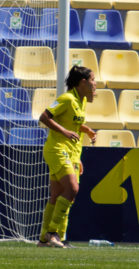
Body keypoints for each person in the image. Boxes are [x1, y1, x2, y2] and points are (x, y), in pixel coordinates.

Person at [37, 66, 98, 249]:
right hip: (56, 149)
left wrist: (85, 130)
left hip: (69, 152)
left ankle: (44, 241)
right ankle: (53, 232)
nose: (96, 84)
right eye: (93, 80)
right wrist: (63, 131)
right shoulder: (67, 99)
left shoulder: (81, 102)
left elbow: (73, 124)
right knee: (72, 189)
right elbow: (44, 116)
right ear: (83, 82)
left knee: (57, 196)